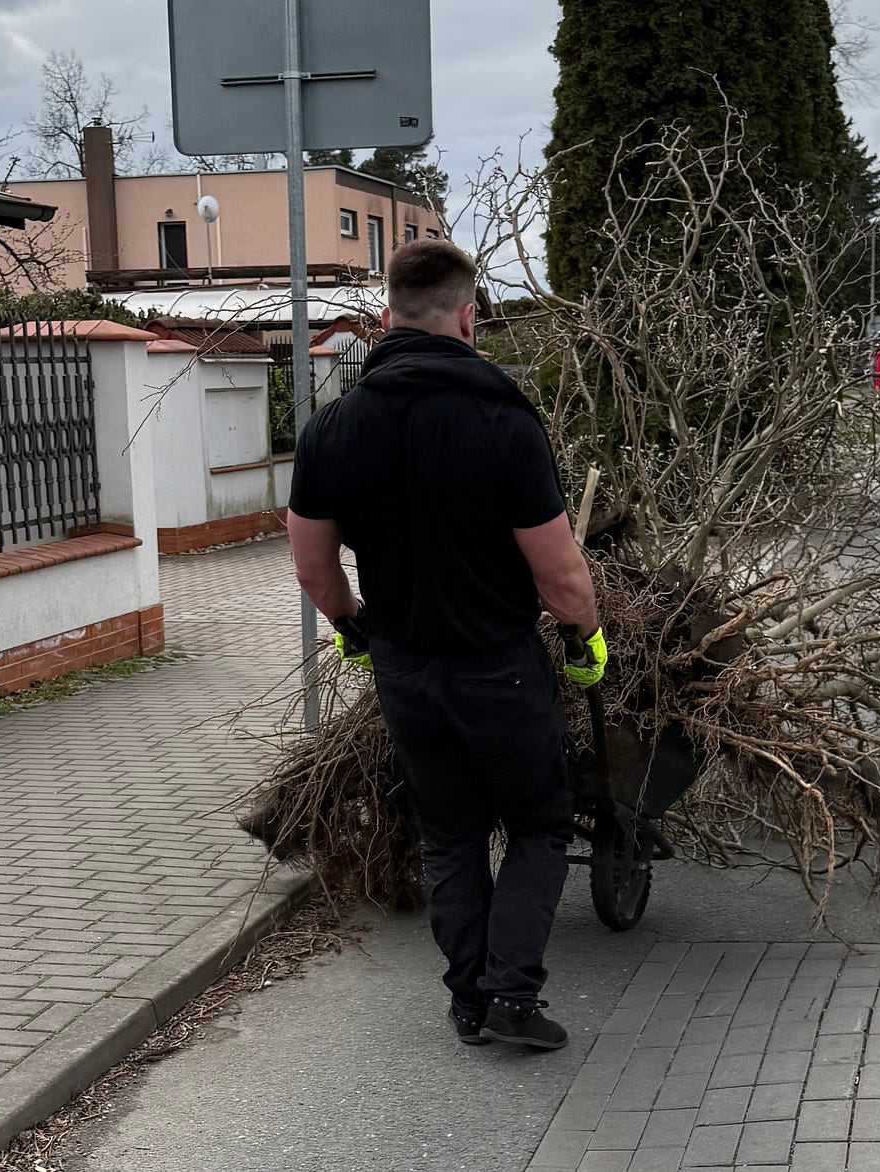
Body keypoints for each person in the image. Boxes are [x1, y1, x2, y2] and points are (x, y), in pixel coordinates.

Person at [286, 238, 605, 1051]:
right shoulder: (503, 419)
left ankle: (467, 1002)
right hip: (497, 668)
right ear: (469, 316)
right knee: (538, 823)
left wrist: (357, 628)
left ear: (385, 317)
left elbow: (312, 567)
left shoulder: (333, 429)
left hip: (405, 672)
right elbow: (562, 575)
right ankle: (510, 997)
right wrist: (585, 639)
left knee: (451, 833)